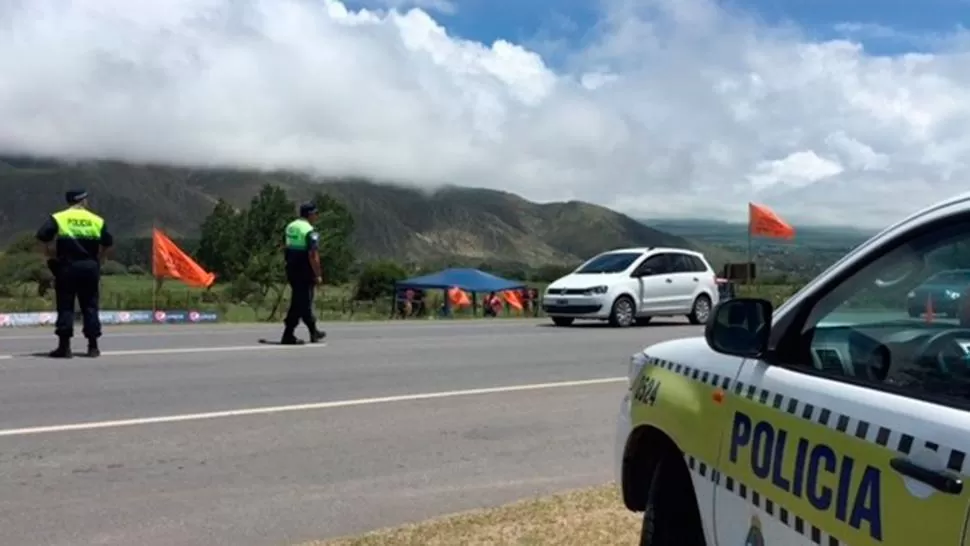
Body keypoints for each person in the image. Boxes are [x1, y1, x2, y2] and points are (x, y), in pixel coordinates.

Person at [36, 189, 114, 358]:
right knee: (90, 306)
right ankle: (93, 347)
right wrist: (100, 259)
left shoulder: (59, 217)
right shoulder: (96, 220)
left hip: (67, 268)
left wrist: (49, 254)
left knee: (66, 306)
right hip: (90, 267)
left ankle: (64, 347)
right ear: (83, 201)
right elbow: (108, 242)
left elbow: (42, 236)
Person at [280, 202, 326, 344]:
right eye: (315, 214)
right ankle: (291, 334)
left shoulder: (291, 226)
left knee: (299, 301)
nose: (317, 216)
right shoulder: (310, 231)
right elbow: (313, 254)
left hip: (291, 268)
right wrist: (317, 274)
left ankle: (313, 332)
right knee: (304, 302)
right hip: (304, 270)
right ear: (310, 214)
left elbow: (286, 246)